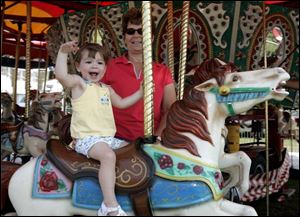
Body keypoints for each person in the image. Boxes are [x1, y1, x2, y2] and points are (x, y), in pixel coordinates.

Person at [55, 41, 143, 216]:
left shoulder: (106, 89)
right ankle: (109, 205)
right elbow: (61, 76)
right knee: (108, 156)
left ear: (105, 69)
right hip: (87, 139)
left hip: (107, 138)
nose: (94, 65)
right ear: (78, 66)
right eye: (88, 62)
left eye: (100, 62)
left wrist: (141, 92)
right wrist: (63, 52)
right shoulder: (79, 84)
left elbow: (122, 103)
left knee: (137, 151)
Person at [101, 7, 176, 142]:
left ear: (151, 37)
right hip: (115, 139)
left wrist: (156, 137)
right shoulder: (108, 67)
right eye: (130, 31)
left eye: (142, 31)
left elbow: (170, 109)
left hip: (150, 140)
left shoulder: (163, 72)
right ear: (124, 38)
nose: (136, 35)